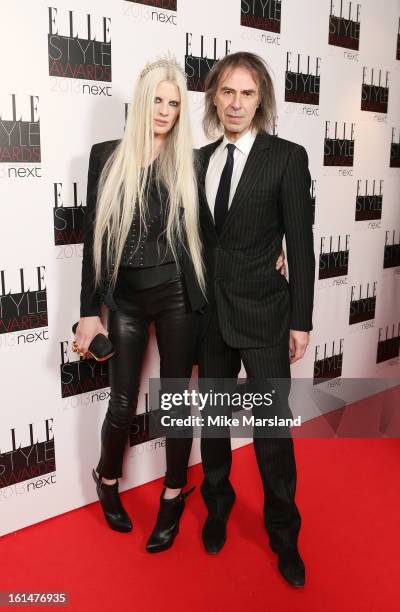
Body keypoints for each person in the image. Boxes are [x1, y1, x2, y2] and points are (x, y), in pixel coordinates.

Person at [73, 57, 206, 553]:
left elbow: (216, 233)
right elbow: (93, 240)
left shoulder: (190, 162)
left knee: (174, 402)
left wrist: (273, 247)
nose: (166, 111)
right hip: (125, 299)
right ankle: (107, 481)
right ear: (142, 99)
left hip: (176, 295)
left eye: (175, 104)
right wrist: (90, 310)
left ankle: (173, 494)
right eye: (158, 100)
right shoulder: (105, 155)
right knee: (123, 404)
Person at [196, 52, 315, 587]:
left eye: (246, 93)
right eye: (226, 92)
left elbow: (301, 244)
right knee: (214, 425)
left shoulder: (287, 157)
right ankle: (217, 507)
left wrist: (302, 319)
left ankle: (285, 534)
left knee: (272, 434)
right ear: (215, 98)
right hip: (209, 315)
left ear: (261, 99)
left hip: (267, 315)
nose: (236, 103)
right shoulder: (198, 159)